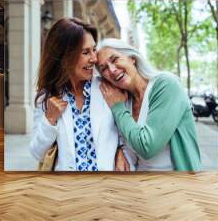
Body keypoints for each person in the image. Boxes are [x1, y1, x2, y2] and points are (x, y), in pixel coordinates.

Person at [96, 38, 202, 171]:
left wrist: (118, 108)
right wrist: (119, 151)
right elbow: (127, 142)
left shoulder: (165, 85)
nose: (112, 70)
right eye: (104, 68)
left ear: (132, 58)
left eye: (115, 59)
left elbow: (147, 147)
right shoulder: (124, 99)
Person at [29, 18, 121, 171]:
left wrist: (120, 151)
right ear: (64, 56)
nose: (94, 59)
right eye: (85, 52)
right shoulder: (46, 98)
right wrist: (50, 119)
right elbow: (36, 153)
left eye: (94, 50)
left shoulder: (107, 88)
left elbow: (123, 133)